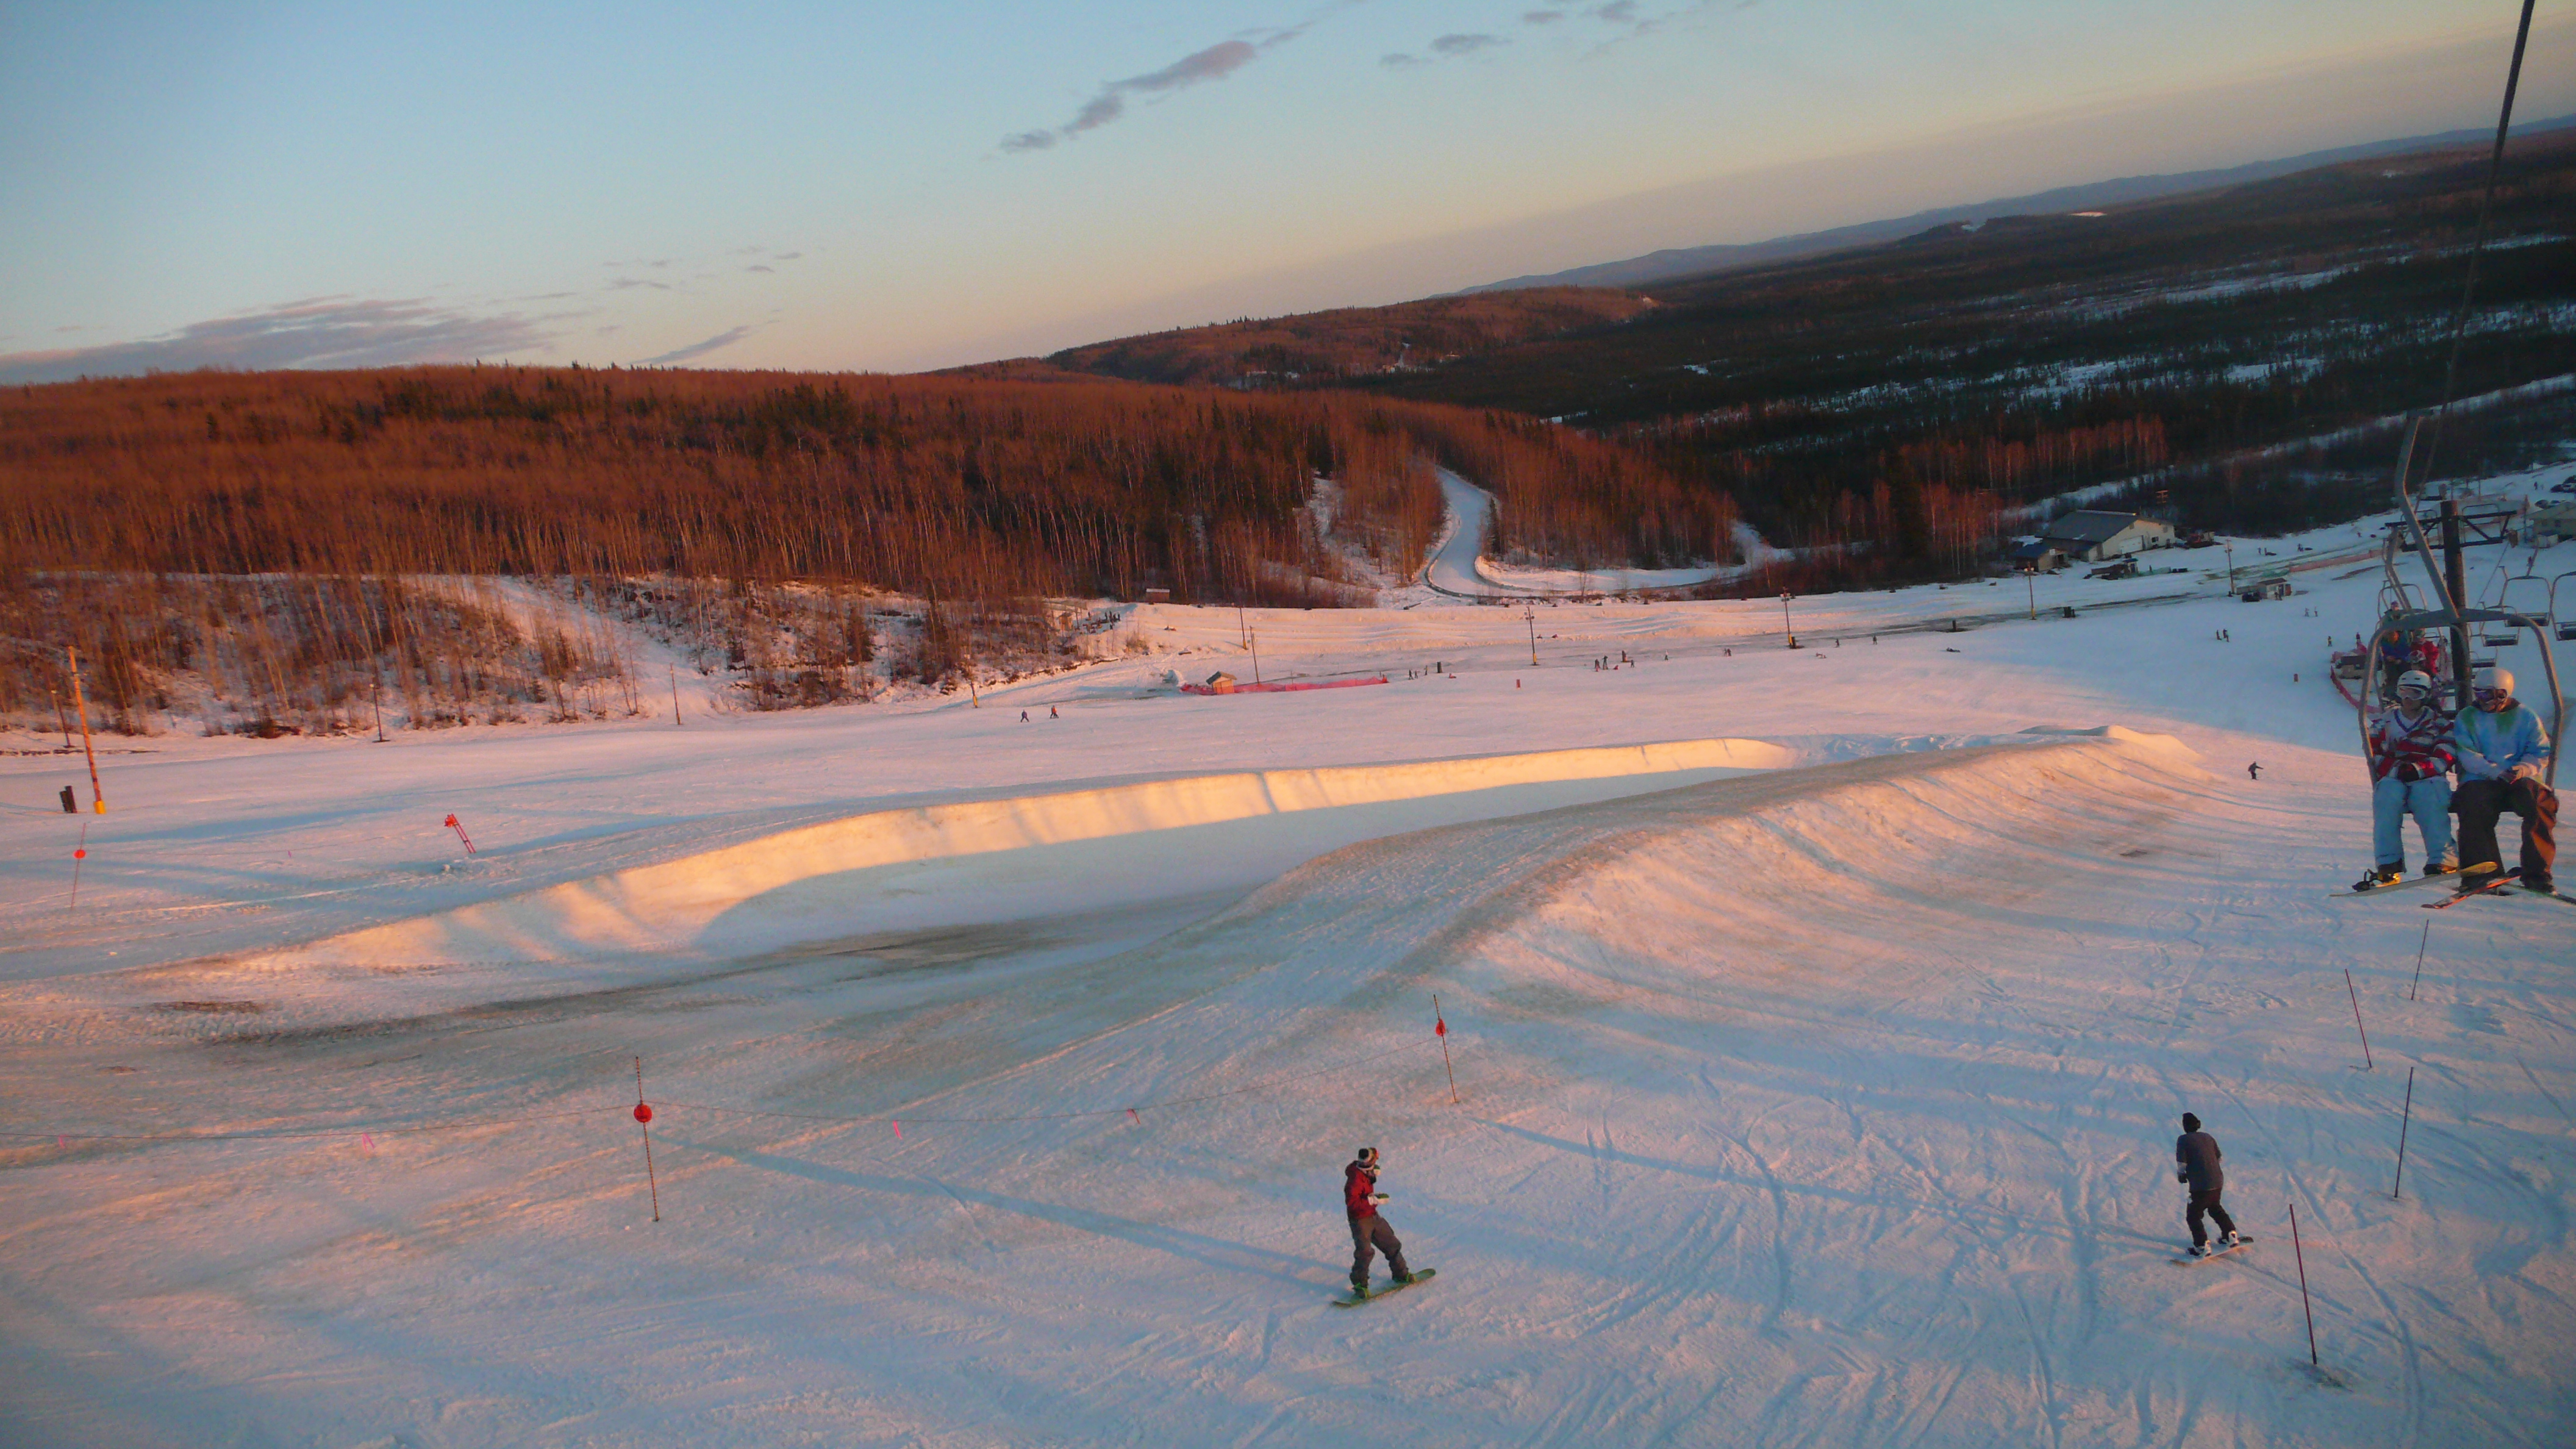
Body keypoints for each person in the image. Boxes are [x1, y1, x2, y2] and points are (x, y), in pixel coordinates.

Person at [2452, 666, 2556, 893]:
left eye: (2487, 695)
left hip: (2520, 777)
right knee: (2473, 804)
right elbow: (2467, 754)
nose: (2482, 700)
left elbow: (2540, 751)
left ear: (2502, 694)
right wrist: (2495, 771)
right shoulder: (2467, 717)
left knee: (2540, 804)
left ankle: (2537, 872)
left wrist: (2522, 769)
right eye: (2479, 694)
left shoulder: (2526, 717)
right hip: (2481, 776)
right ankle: (2481, 872)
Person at [2356, 668, 2456, 889]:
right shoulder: (2385, 722)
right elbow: (2373, 752)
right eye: (2404, 692)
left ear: (2426, 695)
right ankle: (2388, 864)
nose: (2409, 699)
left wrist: (2419, 769)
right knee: (2386, 796)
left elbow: (2446, 752)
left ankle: (2444, 858)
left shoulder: (2438, 723)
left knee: (2429, 798)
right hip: (2394, 774)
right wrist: (2395, 770)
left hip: (2428, 776)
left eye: (2415, 693)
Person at [1343, 1147, 1412, 1297]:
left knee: (1392, 1244)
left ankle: (1401, 1274)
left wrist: (1372, 1172)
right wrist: (1372, 1200)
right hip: (1360, 1221)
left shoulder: (1364, 1171)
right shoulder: (1355, 1181)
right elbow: (1352, 1204)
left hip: (1372, 1215)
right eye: (1375, 1161)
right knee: (1365, 1252)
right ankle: (1360, 1285)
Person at [2175, 1112, 2238, 1256]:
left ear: (2185, 1127)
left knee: (2194, 1216)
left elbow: (2182, 1161)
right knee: (2215, 1207)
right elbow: (2219, 1158)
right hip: (2217, 1181)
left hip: (2200, 1185)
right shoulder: (2208, 1137)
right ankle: (2230, 1235)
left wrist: (2182, 1174)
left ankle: (2201, 1246)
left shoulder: (2183, 1140)